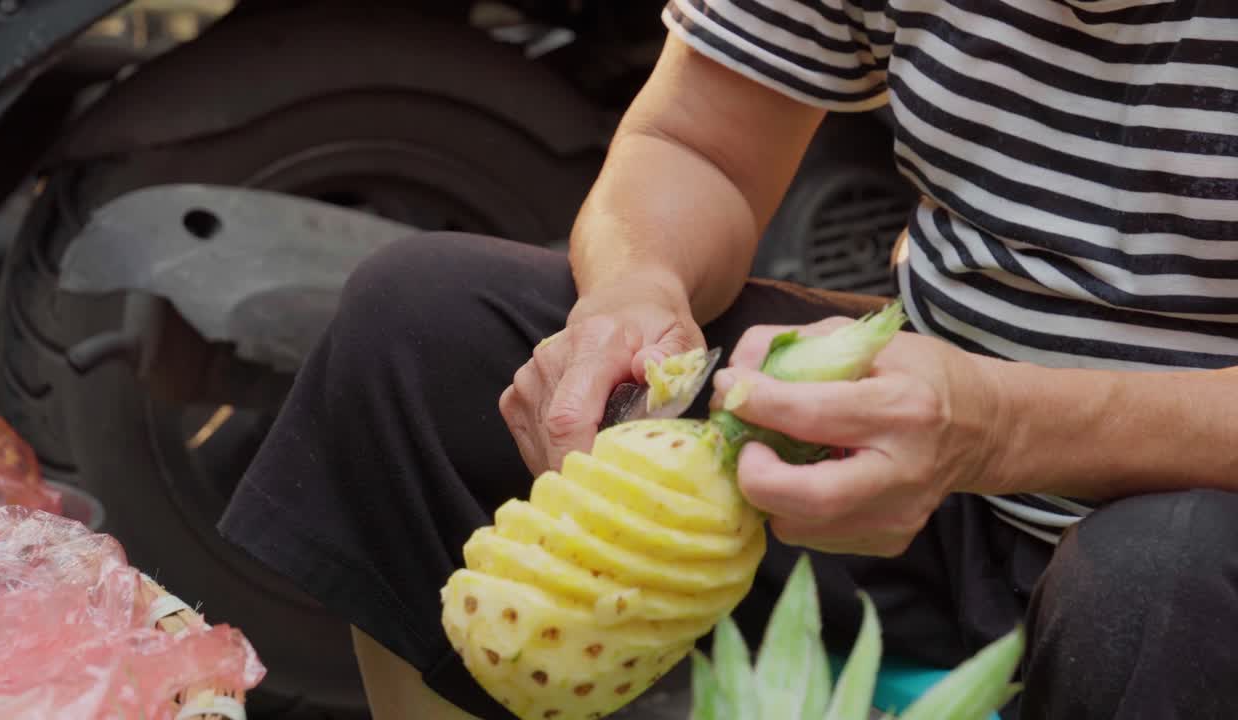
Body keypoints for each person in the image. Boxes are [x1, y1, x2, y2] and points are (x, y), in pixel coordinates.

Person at [217, 1, 1238, 718]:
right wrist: (637, 289)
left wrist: (1007, 427)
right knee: (418, 326)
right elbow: (698, 145)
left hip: (1184, 521)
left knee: (1162, 577)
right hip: (936, 476)